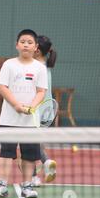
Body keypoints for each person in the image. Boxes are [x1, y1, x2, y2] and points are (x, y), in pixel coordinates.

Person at [0, 29, 48, 198]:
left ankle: (27, 186)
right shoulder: (9, 64)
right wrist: (16, 105)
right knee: (6, 152)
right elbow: (1, 87)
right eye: (22, 42)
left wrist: (32, 107)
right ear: (17, 45)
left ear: (36, 47)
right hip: (9, 118)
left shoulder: (40, 68)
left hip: (30, 120)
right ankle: (2, 184)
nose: (26, 45)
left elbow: (41, 91)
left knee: (29, 154)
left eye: (30, 42)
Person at [31, 35, 57, 187]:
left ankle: (37, 173)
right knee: (36, 145)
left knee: (28, 146)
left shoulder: (36, 68)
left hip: (36, 113)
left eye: (32, 44)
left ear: (38, 50)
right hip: (47, 113)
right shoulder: (45, 66)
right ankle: (43, 168)